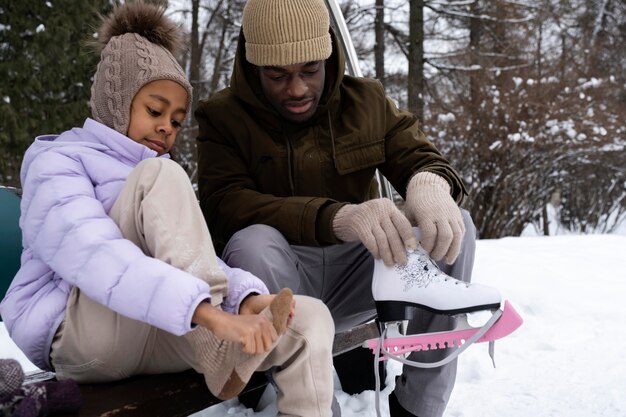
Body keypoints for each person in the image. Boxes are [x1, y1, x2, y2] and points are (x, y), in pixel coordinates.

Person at [0, 3, 337, 416]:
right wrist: (208, 313)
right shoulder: (60, 162)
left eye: (177, 121)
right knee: (160, 175)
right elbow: (92, 252)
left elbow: (197, 262)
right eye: (155, 111)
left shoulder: (159, 178)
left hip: (164, 322)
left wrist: (244, 298)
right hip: (80, 335)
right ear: (116, 102)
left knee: (307, 322)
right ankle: (214, 344)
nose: (167, 128)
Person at [194, 0, 481, 416]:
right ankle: (315, 408)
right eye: (278, 76)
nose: (296, 89)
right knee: (252, 242)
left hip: (360, 275)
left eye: (309, 70)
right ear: (253, 65)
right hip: (281, 283)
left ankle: (419, 408)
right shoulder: (222, 118)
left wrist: (428, 183)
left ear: (329, 53)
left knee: (460, 227)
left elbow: (420, 156)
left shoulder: (366, 100)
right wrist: (339, 217)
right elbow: (225, 206)